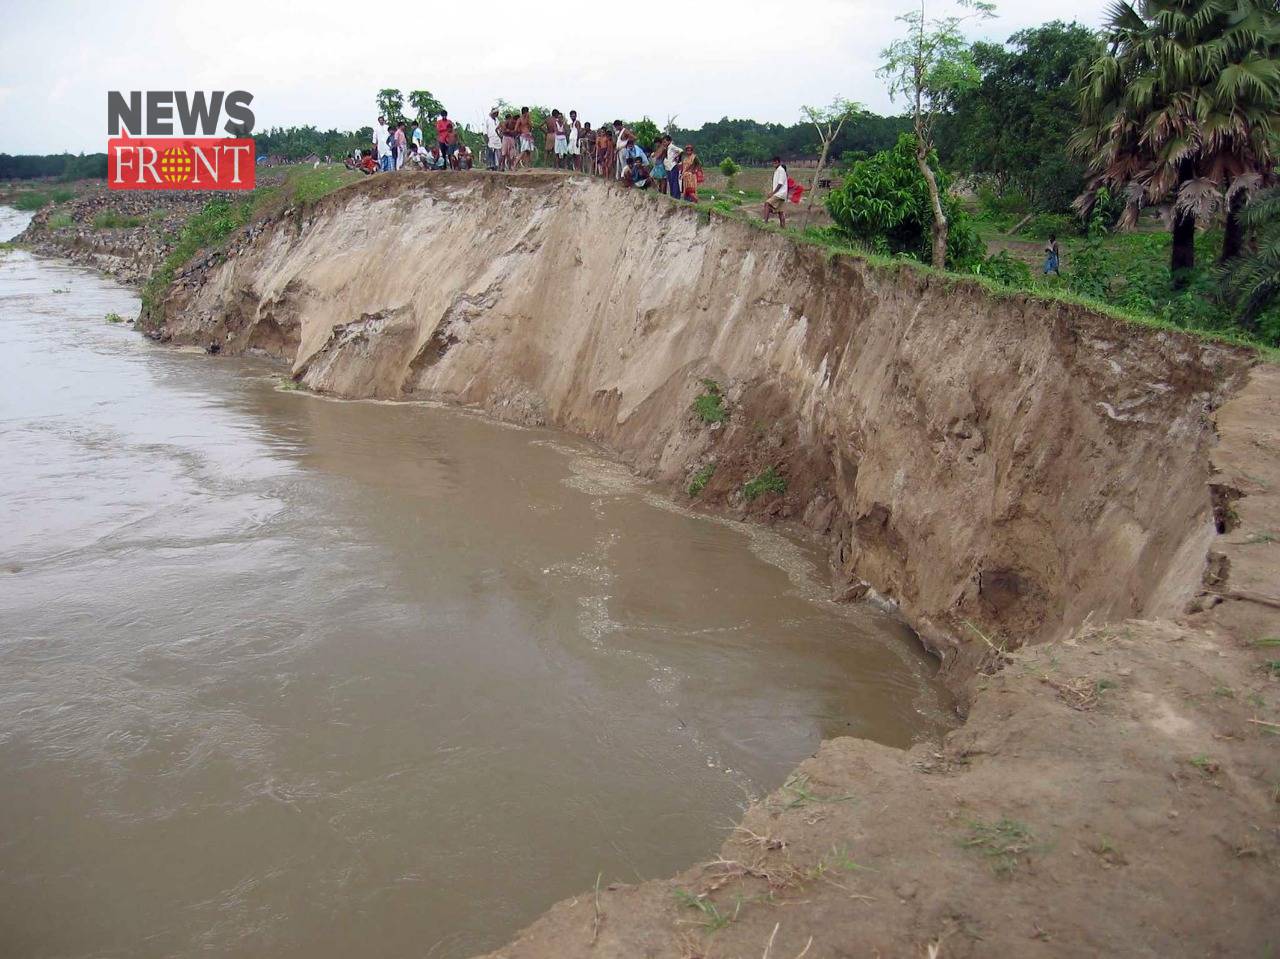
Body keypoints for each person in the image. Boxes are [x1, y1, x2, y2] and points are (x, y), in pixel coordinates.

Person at [763, 155, 788, 225]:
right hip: (782, 194)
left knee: (767, 204)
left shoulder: (781, 170)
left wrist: (772, 193)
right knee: (780, 211)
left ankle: (765, 222)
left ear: (778, 162)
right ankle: (783, 227)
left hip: (780, 194)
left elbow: (780, 184)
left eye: (775, 163)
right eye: (773, 163)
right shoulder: (777, 171)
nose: (774, 164)